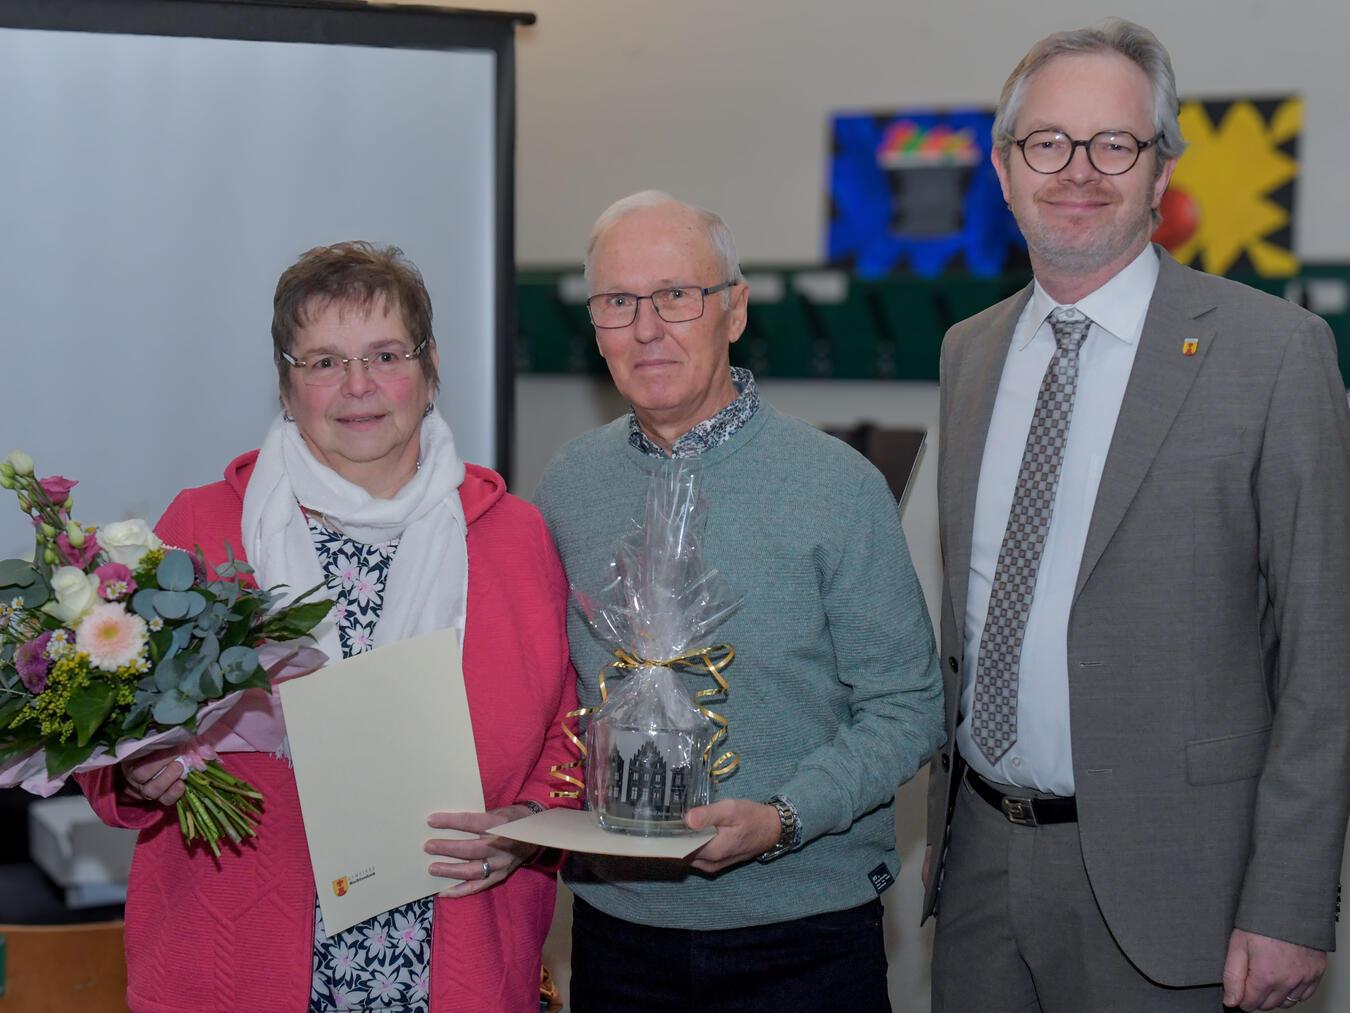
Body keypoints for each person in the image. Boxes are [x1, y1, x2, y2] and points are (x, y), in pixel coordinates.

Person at [923, 19, 1350, 1013]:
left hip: (1180, 889)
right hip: (981, 865)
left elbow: (1323, 650)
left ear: (1160, 172)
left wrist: (1290, 896)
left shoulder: (1273, 353)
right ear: (1003, 167)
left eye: (1115, 143)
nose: (1078, 170)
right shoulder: (969, 353)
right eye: (1047, 143)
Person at [78, 241, 579, 1012]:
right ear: (286, 384)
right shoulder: (202, 530)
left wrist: (530, 822)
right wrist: (138, 773)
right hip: (236, 964)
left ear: (431, 365)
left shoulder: (515, 535)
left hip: (456, 959)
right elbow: (109, 730)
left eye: (385, 353)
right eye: (323, 362)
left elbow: (569, 732)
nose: (358, 386)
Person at [534, 190, 945, 1012]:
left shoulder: (836, 486)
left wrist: (783, 818)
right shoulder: (566, 486)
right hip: (620, 928)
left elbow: (910, 708)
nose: (647, 328)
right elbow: (545, 698)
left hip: (805, 931)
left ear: (735, 310)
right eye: (618, 302)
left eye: (677, 295)